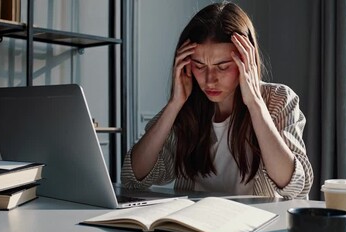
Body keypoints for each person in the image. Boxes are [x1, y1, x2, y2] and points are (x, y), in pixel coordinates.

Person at [121, 1, 313, 199]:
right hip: (197, 225)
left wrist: (255, 104)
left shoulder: (279, 99)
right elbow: (133, 177)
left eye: (222, 67)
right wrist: (174, 104)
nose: (209, 79)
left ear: (246, 62)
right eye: (199, 65)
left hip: (257, 225)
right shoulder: (187, 106)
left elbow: (295, 187)